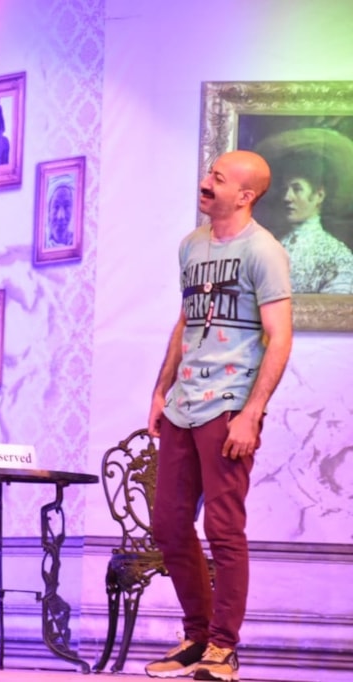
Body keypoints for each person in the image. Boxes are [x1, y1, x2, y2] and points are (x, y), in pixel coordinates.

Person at [145, 150, 292, 681]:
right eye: (209, 174)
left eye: (218, 178)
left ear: (245, 195)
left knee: (223, 527)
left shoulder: (264, 251)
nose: (206, 183)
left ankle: (223, 647)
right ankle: (197, 637)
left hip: (229, 404)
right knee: (168, 524)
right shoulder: (192, 245)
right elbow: (186, 323)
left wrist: (252, 412)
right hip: (183, 404)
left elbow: (280, 337)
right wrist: (160, 391)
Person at [254, 127, 353, 293]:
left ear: (319, 195)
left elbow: (334, 307)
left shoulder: (337, 256)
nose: (287, 197)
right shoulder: (270, 245)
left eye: (297, 189)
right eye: (285, 189)